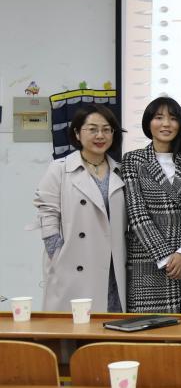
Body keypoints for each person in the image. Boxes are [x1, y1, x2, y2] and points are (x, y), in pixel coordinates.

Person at [33, 104, 126, 313]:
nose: (100, 135)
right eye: (92, 129)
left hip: (111, 268)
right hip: (73, 266)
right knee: (73, 326)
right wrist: (57, 253)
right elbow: (47, 213)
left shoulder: (120, 171)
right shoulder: (60, 169)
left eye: (106, 129)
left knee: (110, 324)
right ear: (77, 133)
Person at [121, 98, 181, 313]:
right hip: (149, 260)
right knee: (150, 329)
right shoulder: (133, 160)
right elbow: (137, 214)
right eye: (158, 118)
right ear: (148, 123)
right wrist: (166, 257)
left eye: (173, 118)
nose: (166, 124)